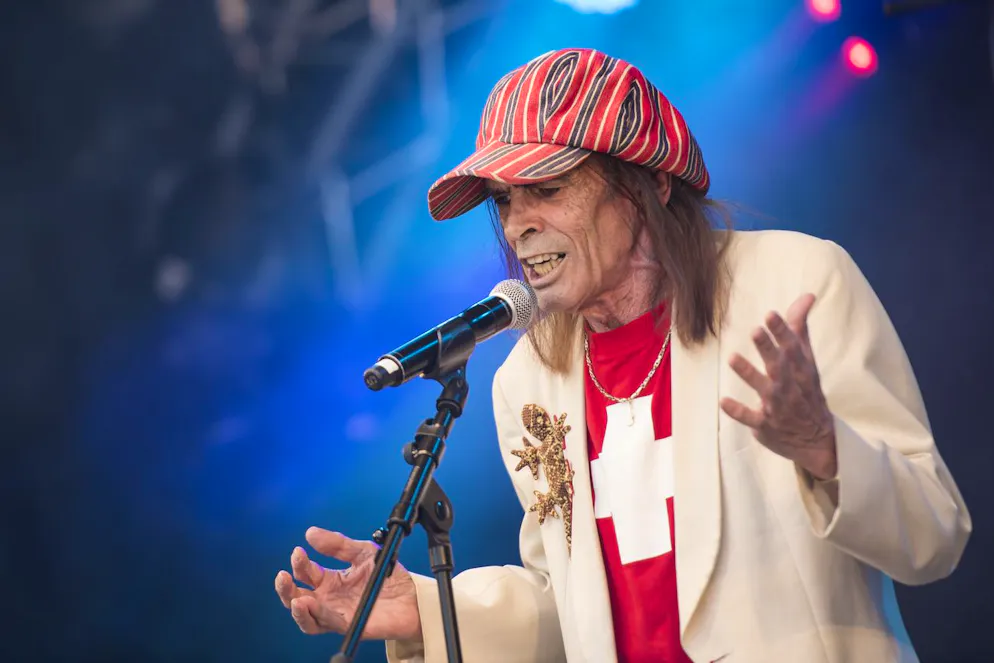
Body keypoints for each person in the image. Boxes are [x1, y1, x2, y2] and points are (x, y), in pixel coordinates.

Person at [274, 48, 972, 662]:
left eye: (548, 188)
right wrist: (425, 610)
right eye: (504, 201)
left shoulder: (796, 284)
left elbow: (935, 534)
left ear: (648, 184)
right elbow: (572, 611)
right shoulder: (527, 380)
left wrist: (826, 446)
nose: (518, 226)